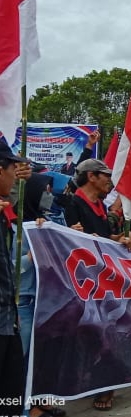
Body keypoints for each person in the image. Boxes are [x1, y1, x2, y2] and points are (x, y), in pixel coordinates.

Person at [61, 158, 131, 411]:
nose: (110, 181)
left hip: (102, 279)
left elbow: (104, 237)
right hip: (80, 281)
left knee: (106, 330)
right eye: (105, 176)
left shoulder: (100, 206)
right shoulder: (71, 203)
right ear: (91, 177)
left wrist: (121, 238)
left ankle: (106, 383)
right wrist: (78, 236)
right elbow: (65, 238)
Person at [0, 140, 29, 417]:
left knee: (9, 399)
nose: (16, 175)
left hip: (8, 319)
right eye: (13, 169)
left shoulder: (3, 211)